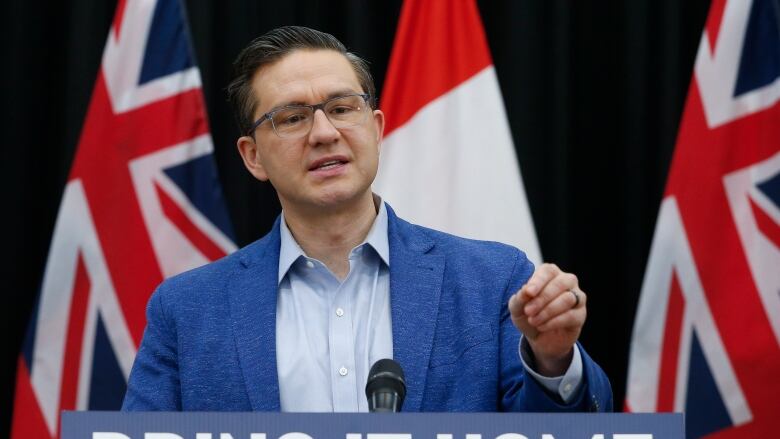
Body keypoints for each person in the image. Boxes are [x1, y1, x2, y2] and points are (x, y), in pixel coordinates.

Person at [122, 26, 612, 412]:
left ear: (375, 129)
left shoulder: (493, 281)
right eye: (292, 118)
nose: (324, 133)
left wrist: (552, 361)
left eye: (342, 108)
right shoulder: (185, 311)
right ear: (252, 157)